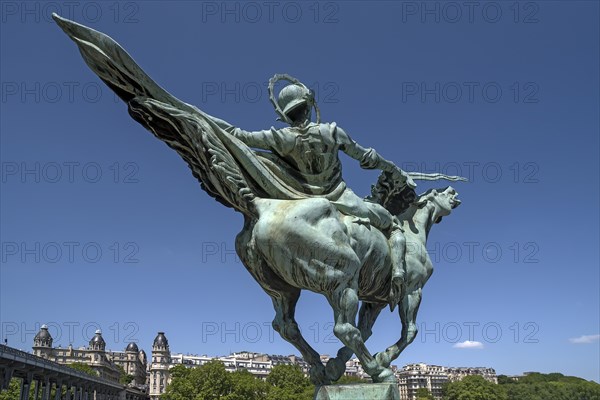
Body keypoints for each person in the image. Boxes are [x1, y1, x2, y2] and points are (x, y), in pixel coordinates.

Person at [210, 80, 415, 308]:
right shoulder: (333, 132)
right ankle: (398, 274)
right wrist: (393, 169)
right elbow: (367, 157)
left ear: (286, 114)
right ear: (308, 105)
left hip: (303, 198)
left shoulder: (281, 138)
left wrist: (203, 119)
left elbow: (238, 135)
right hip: (344, 199)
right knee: (393, 224)